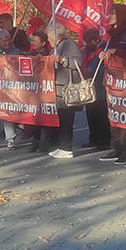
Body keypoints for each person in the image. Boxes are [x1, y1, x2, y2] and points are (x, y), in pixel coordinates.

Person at [97, 6, 126, 164]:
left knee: (125, 116)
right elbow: (107, 51)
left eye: (112, 13)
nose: (109, 15)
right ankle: (116, 148)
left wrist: (117, 52)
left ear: (121, 15)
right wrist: (103, 54)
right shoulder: (111, 33)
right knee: (114, 115)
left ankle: (125, 151)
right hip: (112, 80)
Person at [48, 24, 83, 159]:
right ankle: (62, 146)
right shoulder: (57, 46)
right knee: (61, 118)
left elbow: (78, 62)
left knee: (67, 118)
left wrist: (63, 60)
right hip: (58, 86)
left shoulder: (69, 44)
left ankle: (66, 148)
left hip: (67, 87)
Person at [0, 29, 24, 149]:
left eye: (8, 40)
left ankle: (10, 140)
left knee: (9, 114)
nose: (7, 42)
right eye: (4, 41)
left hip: (10, 88)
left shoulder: (16, 52)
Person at [79, 28, 110, 153]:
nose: (87, 44)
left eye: (89, 42)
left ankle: (105, 139)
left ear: (96, 40)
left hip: (99, 87)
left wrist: (91, 72)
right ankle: (93, 137)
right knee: (90, 114)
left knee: (101, 115)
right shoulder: (86, 51)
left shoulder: (102, 50)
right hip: (88, 86)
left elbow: (105, 67)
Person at [24, 29, 55, 152]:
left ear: (43, 43)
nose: (33, 42)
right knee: (33, 118)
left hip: (46, 91)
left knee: (45, 117)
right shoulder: (30, 53)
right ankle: (35, 141)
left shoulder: (50, 53)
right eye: (32, 40)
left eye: (35, 40)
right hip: (33, 92)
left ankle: (45, 142)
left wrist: (43, 60)